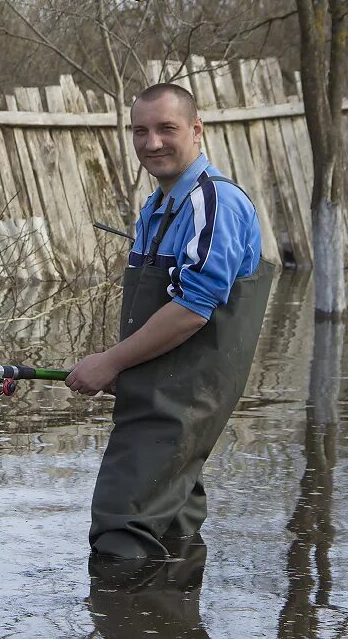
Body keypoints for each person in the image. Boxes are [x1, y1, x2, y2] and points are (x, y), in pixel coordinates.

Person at [66, 83, 274, 559]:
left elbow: (192, 310)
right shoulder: (156, 206)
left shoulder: (214, 201)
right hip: (160, 395)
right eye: (140, 131)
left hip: (184, 403)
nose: (151, 142)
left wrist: (109, 362)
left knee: (121, 536)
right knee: (174, 532)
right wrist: (131, 370)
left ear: (196, 131)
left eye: (166, 129)